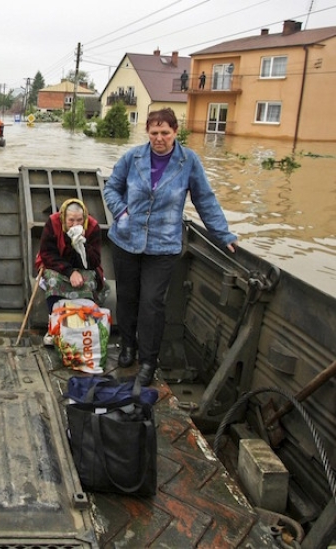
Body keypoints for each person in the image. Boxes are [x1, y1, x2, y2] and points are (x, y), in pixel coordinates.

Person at [104, 108, 237, 386]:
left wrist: (223, 235)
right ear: (147, 133)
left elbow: (206, 200)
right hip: (126, 241)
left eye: (165, 132)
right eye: (154, 133)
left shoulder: (188, 162)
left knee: (152, 303)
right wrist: (122, 213)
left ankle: (149, 361)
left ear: (176, 132)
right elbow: (111, 189)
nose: (159, 138)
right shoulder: (133, 157)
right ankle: (128, 347)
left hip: (163, 246)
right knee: (127, 297)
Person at [35, 198, 106, 346]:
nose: (75, 225)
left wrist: (82, 245)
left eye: (79, 220)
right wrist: (70, 272)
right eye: (71, 220)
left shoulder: (92, 227)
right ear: (63, 218)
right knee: (53, 281)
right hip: (59, 267)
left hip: (85, 268)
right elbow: (47, 254)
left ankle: (85, 326)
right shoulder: (53, 223)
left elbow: (95, 262)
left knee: (90, 283)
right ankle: (54, 326)